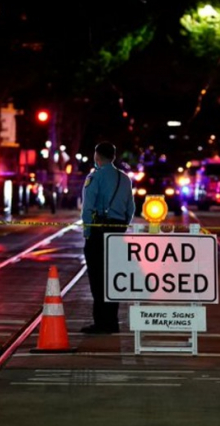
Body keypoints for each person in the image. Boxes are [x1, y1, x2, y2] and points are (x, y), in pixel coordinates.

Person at [80, 142, 135, 334]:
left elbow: (87, 208)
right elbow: (131, 208)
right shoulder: (125, 179)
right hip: (117, 231)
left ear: (97, 157)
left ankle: (101, 322)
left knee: (97, 277)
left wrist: (87, 232)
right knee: (113, 277)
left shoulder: (94, 177)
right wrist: (122, 226)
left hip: (99, 230)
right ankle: (112, 321)